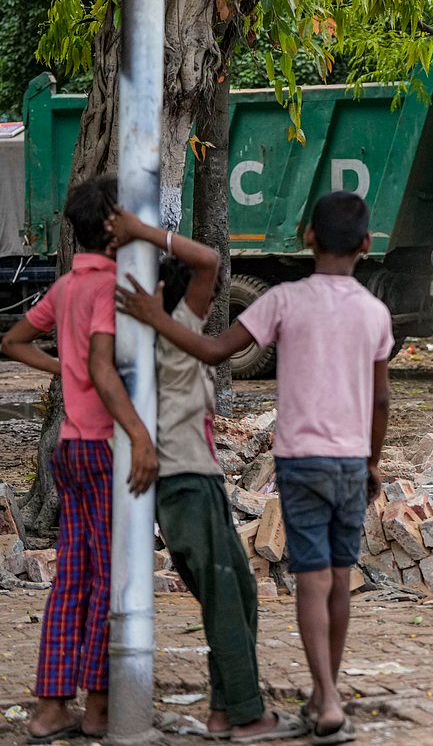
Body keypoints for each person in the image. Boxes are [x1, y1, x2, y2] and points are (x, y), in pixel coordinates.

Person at [117, 191, 392, 745]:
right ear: (365, 245)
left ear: (305, 235)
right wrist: (371, 461)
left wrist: (152, 316)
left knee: (310, 580)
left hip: (300, 461)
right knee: (341, 578)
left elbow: (216, 351)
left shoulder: (284, 300)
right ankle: (325, 696)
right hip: (348, 462)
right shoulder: (375, 313)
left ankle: (328, 699)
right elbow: (381, 400)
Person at [103, 210, 306, 743]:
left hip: (188, 479)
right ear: (174, 294)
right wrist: (143, 231)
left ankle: (224, 711)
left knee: (236, 592)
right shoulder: (178, 329)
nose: (210, 295)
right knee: (227, 596)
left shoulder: (139, 336)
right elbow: (210, 260)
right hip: (186, 478)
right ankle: (244, 715)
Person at [0, 177, 157, 743]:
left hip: (70, 447)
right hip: (103, 447)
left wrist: (61, 370)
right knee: (109, 577)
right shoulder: (115, 285)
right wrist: (139, 435)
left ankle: (48, 708)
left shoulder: (67, 286)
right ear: (118, 228)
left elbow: (14, 342)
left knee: (72, 578)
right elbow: (101, 366)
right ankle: (96, 708)